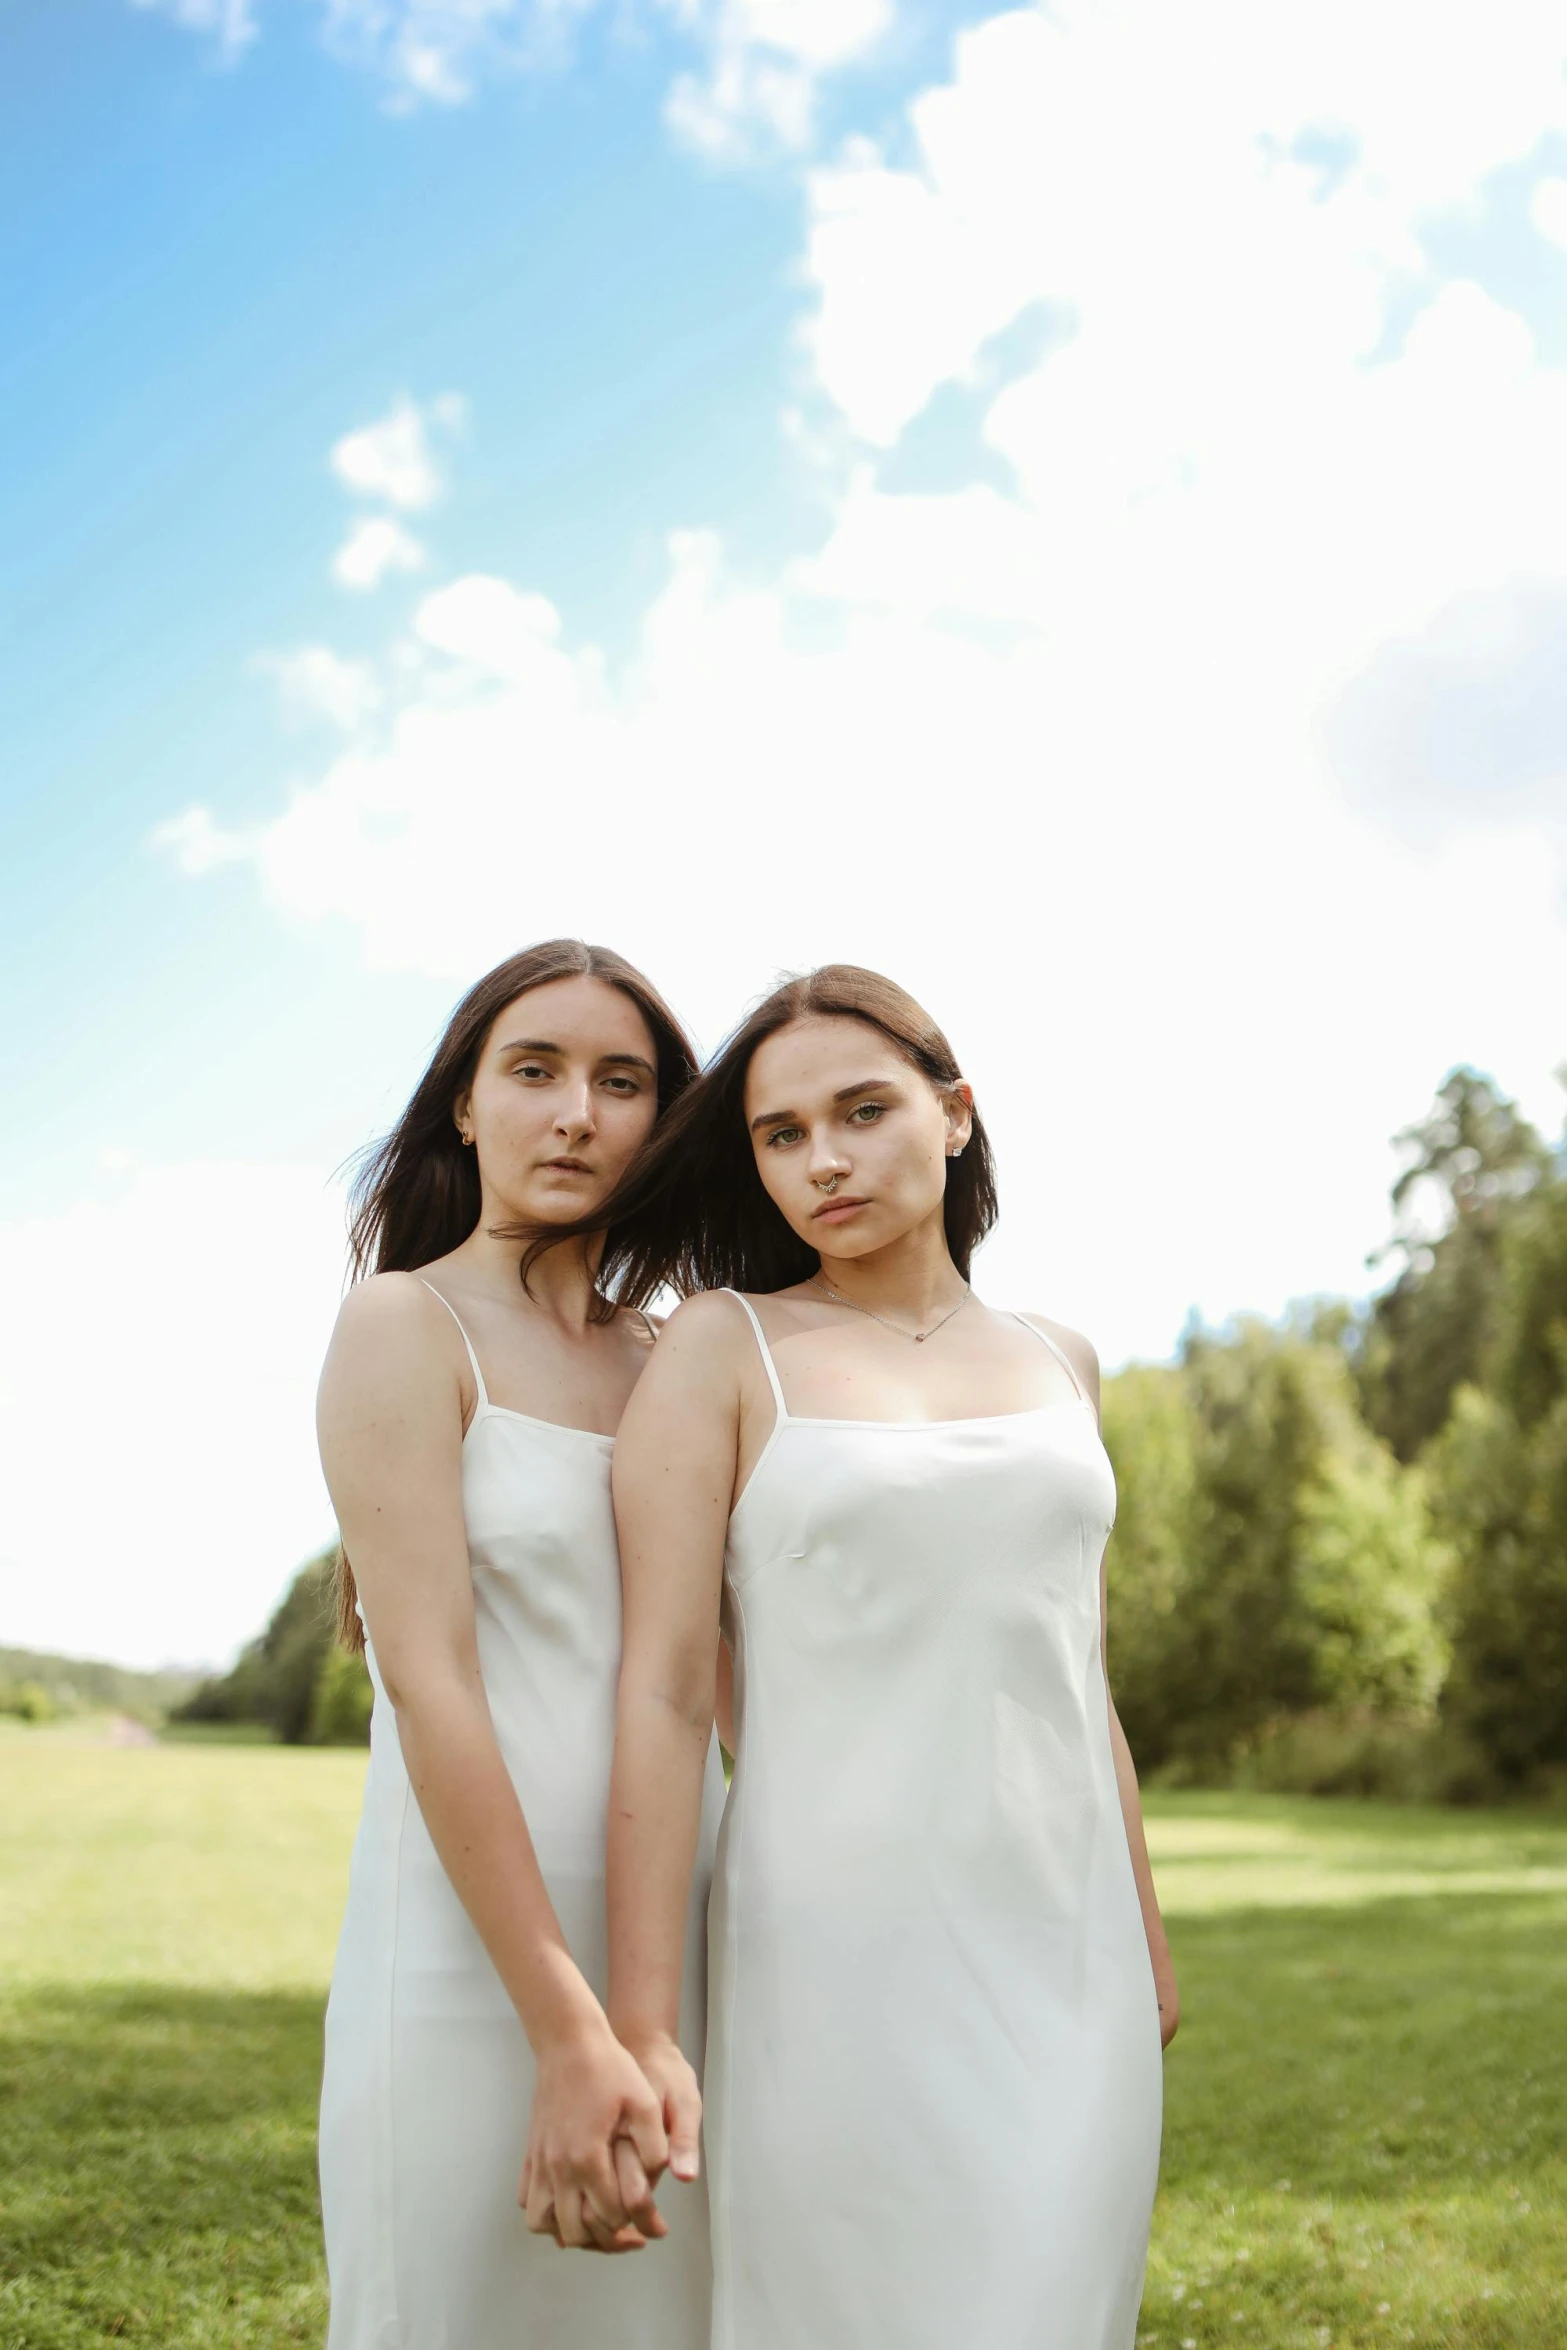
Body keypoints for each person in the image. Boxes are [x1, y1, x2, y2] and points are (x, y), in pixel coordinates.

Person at [589, 963, 1176, 2350]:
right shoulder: (722, 1347)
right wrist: (644, 2018)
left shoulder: (1060, 1357)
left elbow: (1076, 1674)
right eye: (780, 1135)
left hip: (1065, 1941)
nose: (823, 1160)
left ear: (955, 1113)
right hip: (827, 1947)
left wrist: (1144, 1933)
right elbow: (667, 1686)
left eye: (861, 1110)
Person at [315, 939, 727, 2350]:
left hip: (682, 1924)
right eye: (534, 1069)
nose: (575, 1112)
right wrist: (565, 2027)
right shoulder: (402, 1324)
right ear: (463, 1107)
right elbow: (429, 1686)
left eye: (621, 1082)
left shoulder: (685, 1354)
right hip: (468, 1943)